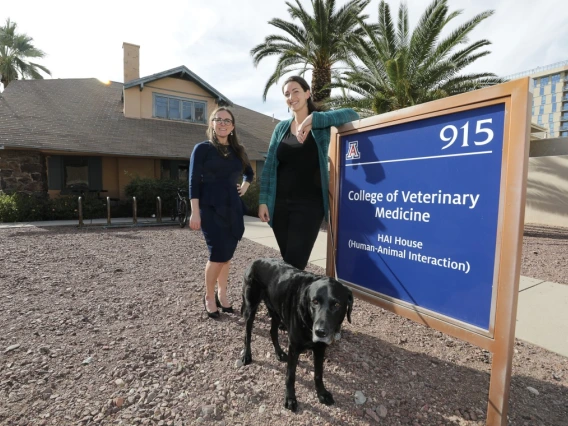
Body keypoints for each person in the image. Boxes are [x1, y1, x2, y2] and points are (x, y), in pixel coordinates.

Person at [258, 76, 359, 270]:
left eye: (296, 91)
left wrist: (315, 119)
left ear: (307, 93)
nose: (291, 96)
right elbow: (270, 165)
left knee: (296, 261)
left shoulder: (321, 125)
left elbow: (352, 114)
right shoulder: (281, 128)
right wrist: (263, 200)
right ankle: (289, 299)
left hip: (309, 206)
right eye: (287, 94)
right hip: (280, 205)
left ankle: (288, 299)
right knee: (289, 262)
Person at [189, 107, 254, 318]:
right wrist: (195, 212)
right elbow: (193, 183)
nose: (223, 123)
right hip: (210, 209)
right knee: (217, 255)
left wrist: (244, 186)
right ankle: (209, 296)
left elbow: (249, 173)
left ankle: (222, 293)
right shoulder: (202, 149)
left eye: (227, 120)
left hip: (232, 209)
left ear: (233, 126)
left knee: (227, 256)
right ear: (212, 123)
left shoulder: (238, 151)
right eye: (219, 120)